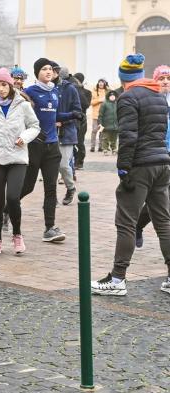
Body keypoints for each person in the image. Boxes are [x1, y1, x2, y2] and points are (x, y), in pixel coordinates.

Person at [92, 54, 170, 296]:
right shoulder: (158, 95)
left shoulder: (127, 98)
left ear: (123, 78)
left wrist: (123, 168)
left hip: (140, 166)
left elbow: (128, 137)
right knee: (164, 223)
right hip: (162, 164)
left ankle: (117, 279)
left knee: (126, 223)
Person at [0, 68, 40, 256]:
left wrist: (24, 137)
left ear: (10, 85)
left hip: (18, 158)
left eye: (4, 85)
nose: (1, 89)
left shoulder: (22, 105)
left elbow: (34, 126)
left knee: (13, 198)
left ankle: (17, 235)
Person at [23, 58, 68, 242]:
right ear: (37, 73)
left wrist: (73, 115)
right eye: (44, 69)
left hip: (52, 147)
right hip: (35, 147)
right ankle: (7, 209)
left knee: (51, 189)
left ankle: (50, 228)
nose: (48, 72)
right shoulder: (29, 92)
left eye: (50, 69)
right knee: (28, 186)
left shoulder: (55, 92)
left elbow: (56, 115)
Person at [134, 64, 170, 248]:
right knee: (160, 199)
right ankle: (138, 226)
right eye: (161, 79)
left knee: (163, 199)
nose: (165, 82)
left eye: (168, 79)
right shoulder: (149, 100)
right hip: (158, 153)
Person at [53, 65, 83, 206]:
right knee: (50, 167)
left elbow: (77, 112)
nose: (49, 73)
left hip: (66, 133)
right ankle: (50, 196)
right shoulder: (43, 88)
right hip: (48, 133)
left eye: (52, 71)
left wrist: (62, 121)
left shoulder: (70, 89)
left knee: (64, 165)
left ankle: (70, 188)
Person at [73, 72, 92, 170]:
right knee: (71, 141)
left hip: (82, 119)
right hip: (71, 118)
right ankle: (73, 161)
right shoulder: (71, 90)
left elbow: (86, 104)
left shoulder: (87, 92)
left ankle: (79, 162)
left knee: (80, 141)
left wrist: (79, 89)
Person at [90, 79, 109, 153]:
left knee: (102, 131)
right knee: (94, 131)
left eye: (102, 82)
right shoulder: (94, 91)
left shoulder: (107, 91)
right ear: (98, 83)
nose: (101, 84)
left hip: (104, 115)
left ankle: (101, 147)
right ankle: (92, 147)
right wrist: (100, 100)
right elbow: (91, 102)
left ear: (104, 84)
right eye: (99, 82)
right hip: (96, 115)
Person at [98, 91, 119, 156]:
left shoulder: (117, 104)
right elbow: (100, 115)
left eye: (113, 96)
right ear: (108, 97)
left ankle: (114, 150)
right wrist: (100, 123)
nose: (112, 97)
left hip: (115, 125)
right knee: (105, 138)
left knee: (114, 138)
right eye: (111, 96)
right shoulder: (104, 104)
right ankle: (105, 150)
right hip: (106, 125)